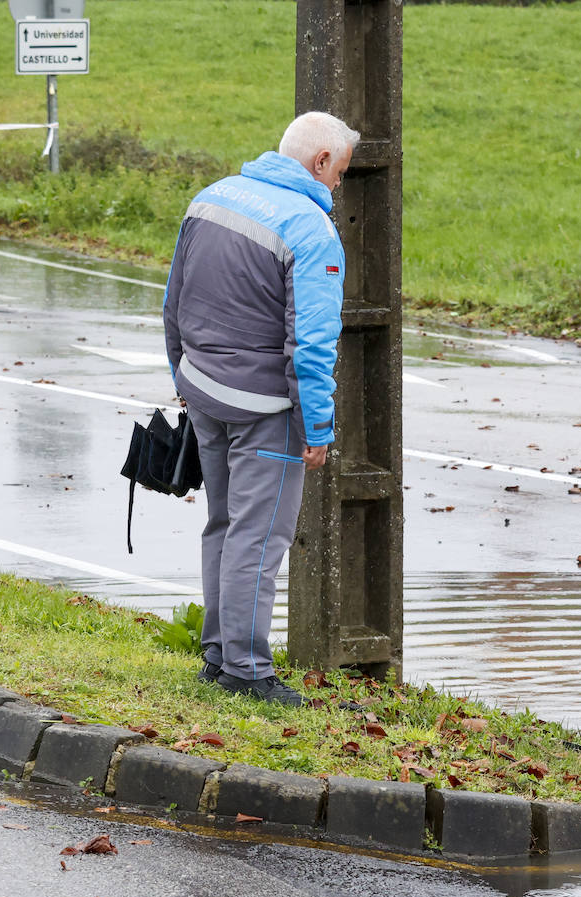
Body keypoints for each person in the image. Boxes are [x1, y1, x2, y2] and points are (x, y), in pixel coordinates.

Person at [162, 112, 358, 707]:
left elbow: (175, 298)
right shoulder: (311, 229)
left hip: (203, 388)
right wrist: (316, 427)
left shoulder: (211, 198)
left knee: (222, 523)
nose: (339, 188)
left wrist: (182, 372)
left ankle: (219, 658)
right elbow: (315, 343)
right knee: (261, 535)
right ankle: (247, 671)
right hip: (263, 407)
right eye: (341, 174)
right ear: (321, 161)